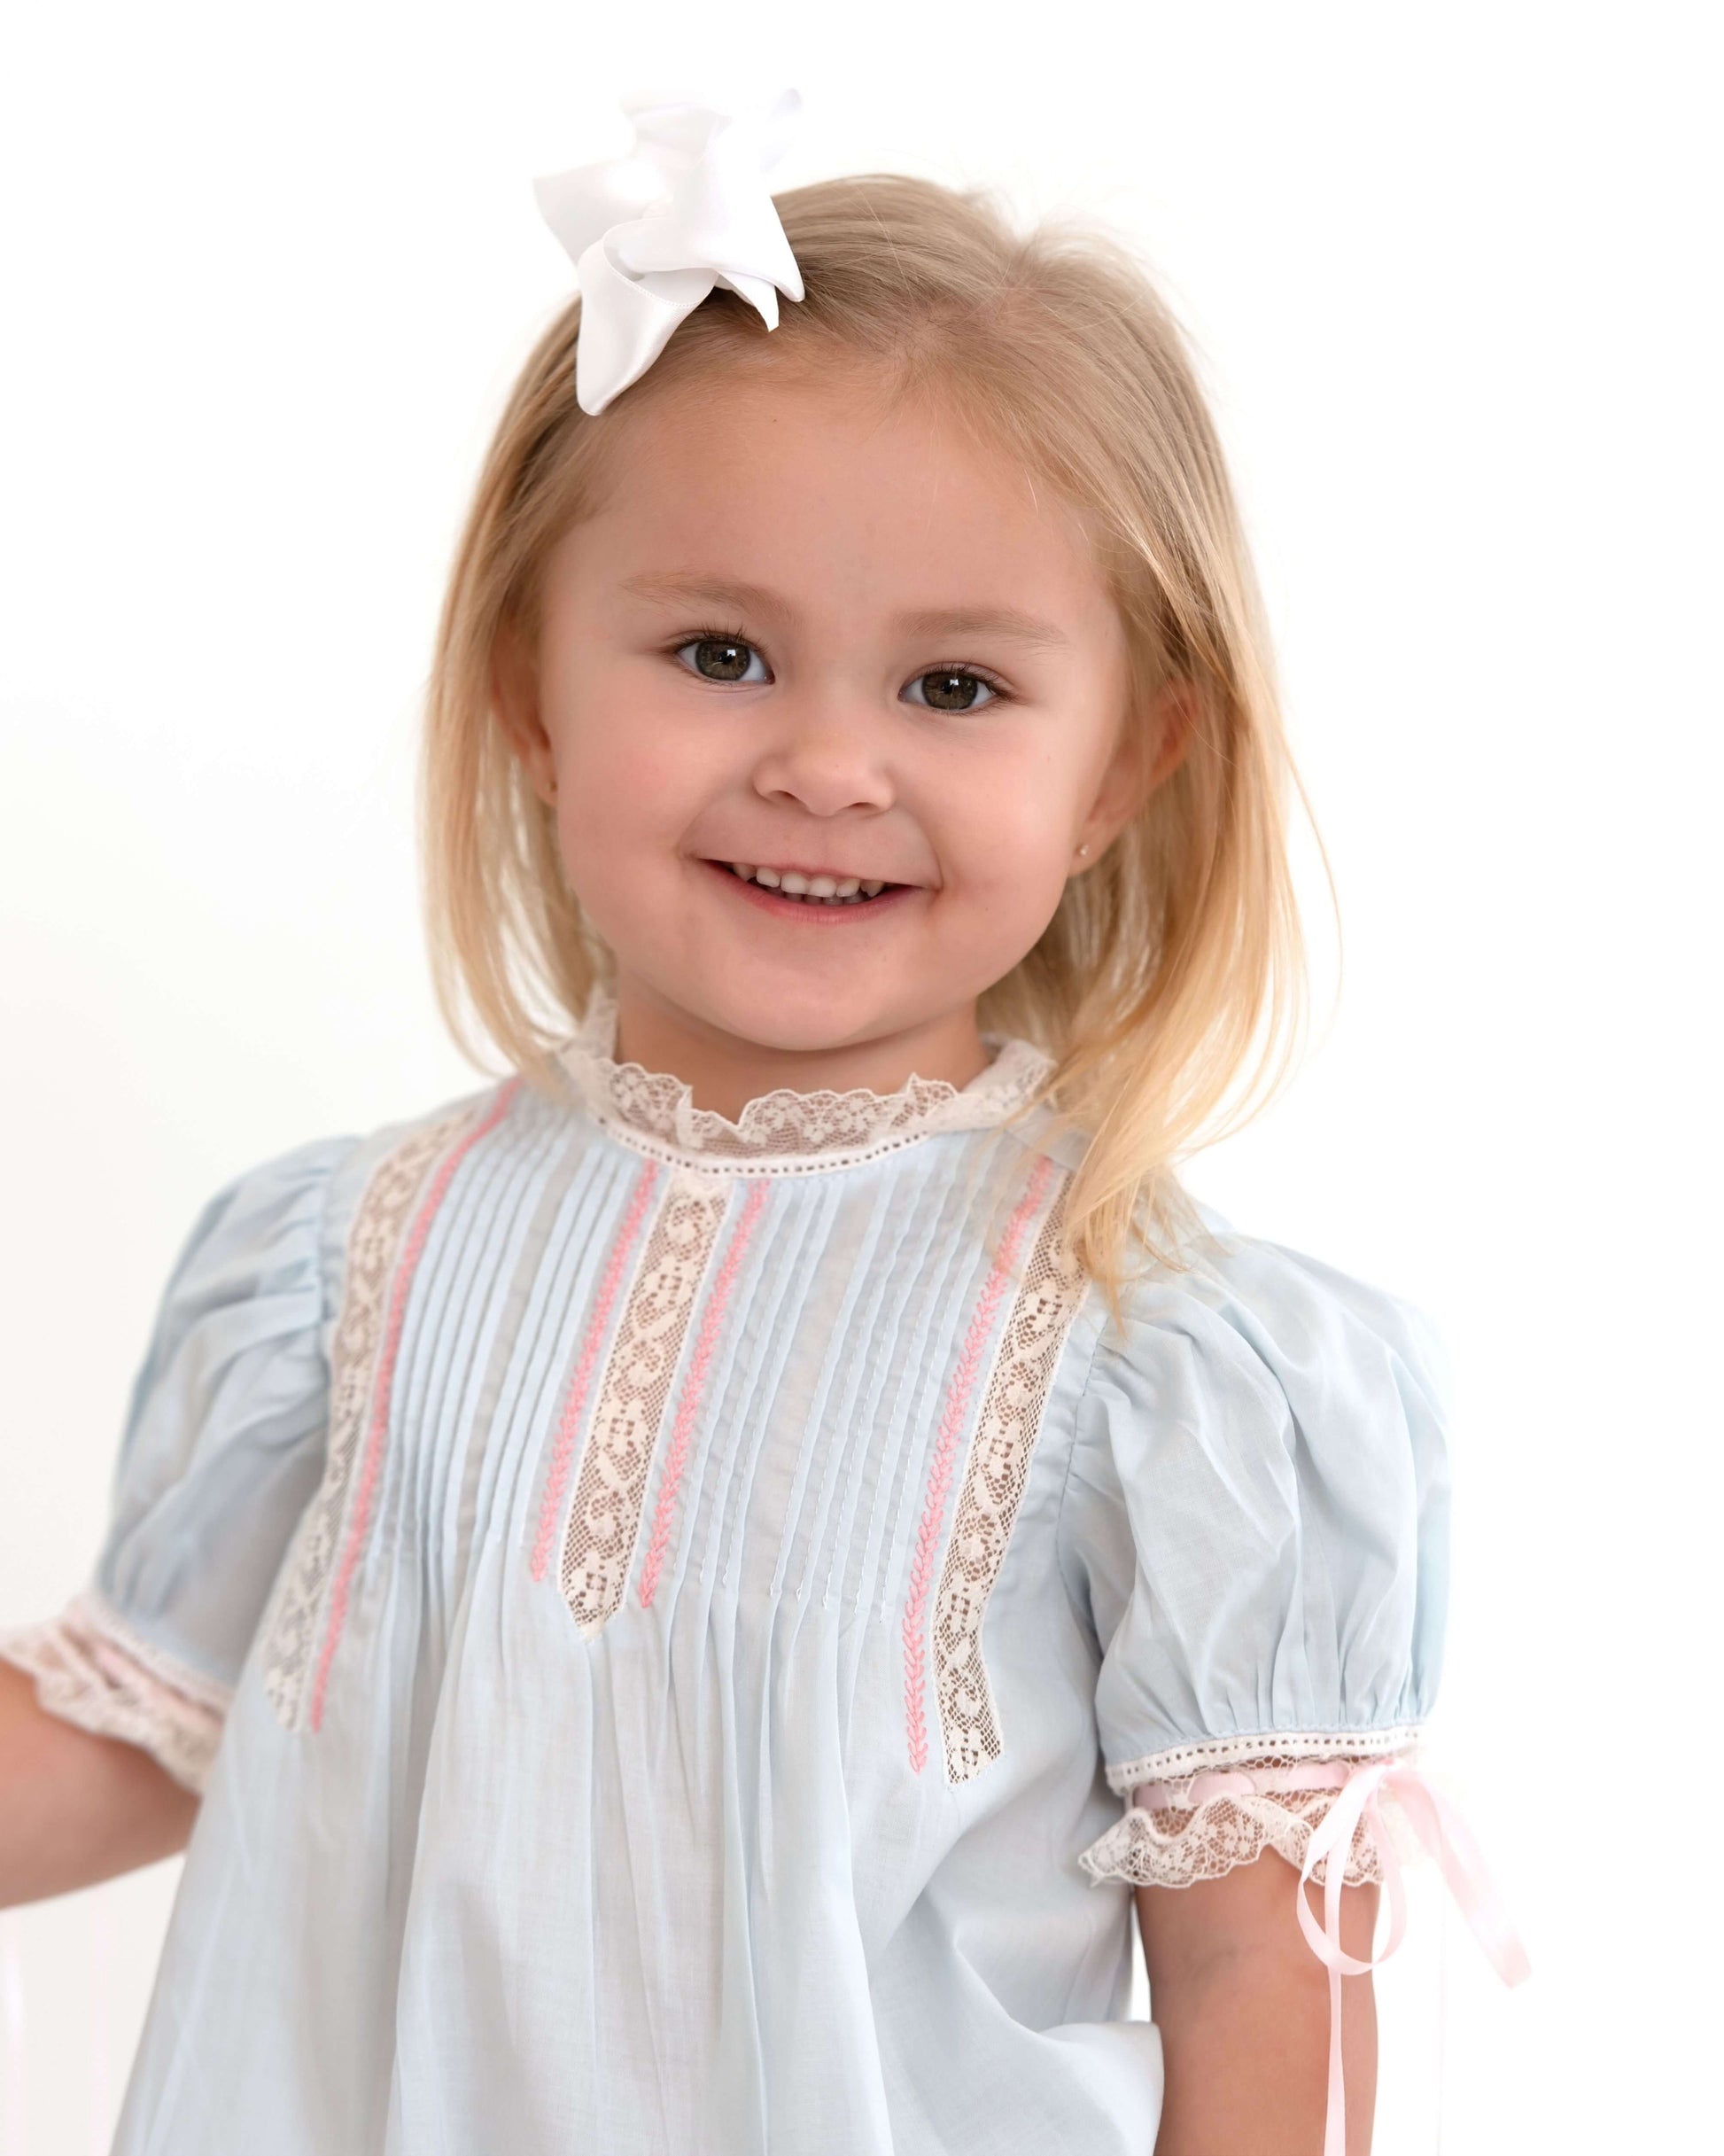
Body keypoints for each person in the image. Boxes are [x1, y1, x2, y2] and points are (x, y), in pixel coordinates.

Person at [0, 90, 1526, 2156]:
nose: (824, 763)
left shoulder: (1164, 1365)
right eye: (720, 653)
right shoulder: (343, 1263)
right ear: (531, 687)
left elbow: (1263, 1976)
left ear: (1122, 765)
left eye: (954, 687)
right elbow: (130, 1730)